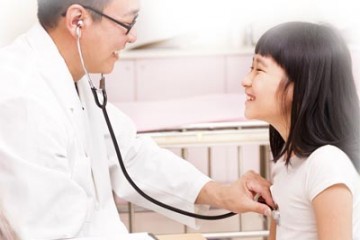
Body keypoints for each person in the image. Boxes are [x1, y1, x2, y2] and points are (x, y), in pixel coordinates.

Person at [0, 0, 275, 239]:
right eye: (127, 23)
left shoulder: (69, 78)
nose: (132, 37)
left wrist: (220, 193)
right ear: (77, 21)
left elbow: (129, 155)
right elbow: (53, 235)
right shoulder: (22, 101)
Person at [242, 21, 360, 240]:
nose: (245, 80)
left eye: (259, 69)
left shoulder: (326, 164)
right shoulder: (286, 163)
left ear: (302, 86)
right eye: (251, 68)